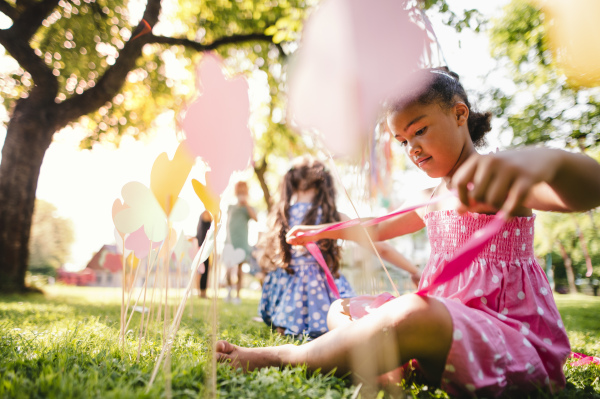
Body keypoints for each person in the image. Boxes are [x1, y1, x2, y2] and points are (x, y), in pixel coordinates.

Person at [216, 68, 600, 397]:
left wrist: (541, 160)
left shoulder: (498, 176)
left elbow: (588, 190)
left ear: (459, 114)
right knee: (342, 308)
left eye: (419, 131)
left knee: (413, 312)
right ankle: (396, 360)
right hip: (440, 330)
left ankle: (284, 356)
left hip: (508, 340)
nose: (412, 148)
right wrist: (323, 231)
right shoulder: (430, 195)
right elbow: (379, 227)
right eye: (402, 141)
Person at [257, 156, 420, 339]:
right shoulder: (333, 216)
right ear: (325, 185)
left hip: (285, 302)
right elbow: (380, 248)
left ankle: (287, 322)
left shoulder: (279, 217)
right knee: (346, 317)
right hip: (325, 300)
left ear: (289, 183)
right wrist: (414, 270)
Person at [224, 181, 257, 304]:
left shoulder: (248, 208)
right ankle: (229, 290)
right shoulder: (231, 207)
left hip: (242, 241)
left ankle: (237, 295)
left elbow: (255, 218)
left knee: (239, 269)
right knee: (228, 269)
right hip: (230, 241)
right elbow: (228, 224)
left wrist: (246, 205)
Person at [196, 210, 212, 298]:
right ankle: (201, 292)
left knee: (204, 271)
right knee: (203, 271)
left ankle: (202, 291)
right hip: (203, 247)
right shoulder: (205, 214)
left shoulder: (206, 215)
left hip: (205, 247)